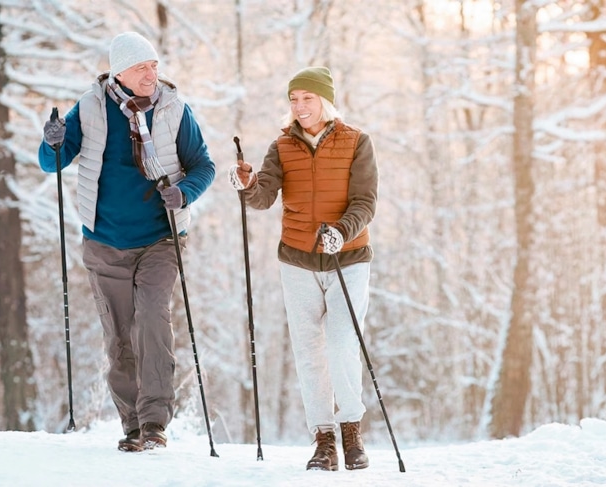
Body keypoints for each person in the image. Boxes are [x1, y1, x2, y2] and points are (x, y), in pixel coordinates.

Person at [39, 32, 216, 452]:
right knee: (118, 337)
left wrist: (184, 192)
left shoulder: (173, 109)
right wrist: (51, 142)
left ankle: (155, 423)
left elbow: (203, 165)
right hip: (104, 242)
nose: (151, 74)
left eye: (154, 66)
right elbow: (54, 164)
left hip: (161, 238)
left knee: (153, 322)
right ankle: (133, 426)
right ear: (120, 72)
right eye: (142, 68)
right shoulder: (92, 108)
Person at [228, 66, 378, 471]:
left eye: (307, 99)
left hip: (347, 259)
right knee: (309, 350)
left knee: (343, 342)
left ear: (324, 100)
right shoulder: (282, 147)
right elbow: (263, 198)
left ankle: (351, 427)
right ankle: (324, 438)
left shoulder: (357, 142)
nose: (299, 106)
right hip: (296, 260)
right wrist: (247, 185)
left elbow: (365, 202)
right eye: (293, 99)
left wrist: (341, 232)